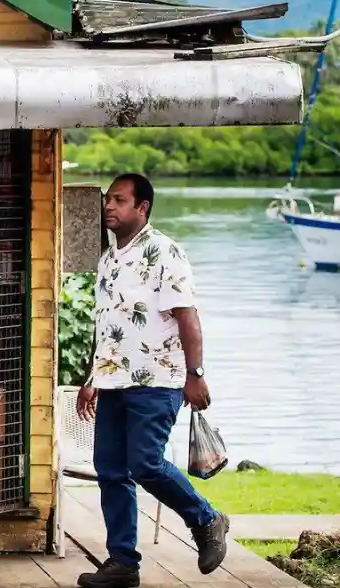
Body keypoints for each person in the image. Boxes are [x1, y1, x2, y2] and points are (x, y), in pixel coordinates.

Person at [77, 174, 230, 588]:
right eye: (108, 199)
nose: (109, 206)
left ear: (142, 208)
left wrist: (195, 375)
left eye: (120, 200)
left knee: (145, 463)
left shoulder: (164, 251)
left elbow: (188, 318)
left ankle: (207, 519)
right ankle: (123, 564)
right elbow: (108, 326)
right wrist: (92, 376)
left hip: (158, 380)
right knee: (110, 470)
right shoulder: (109, 258)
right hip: (113, 383)